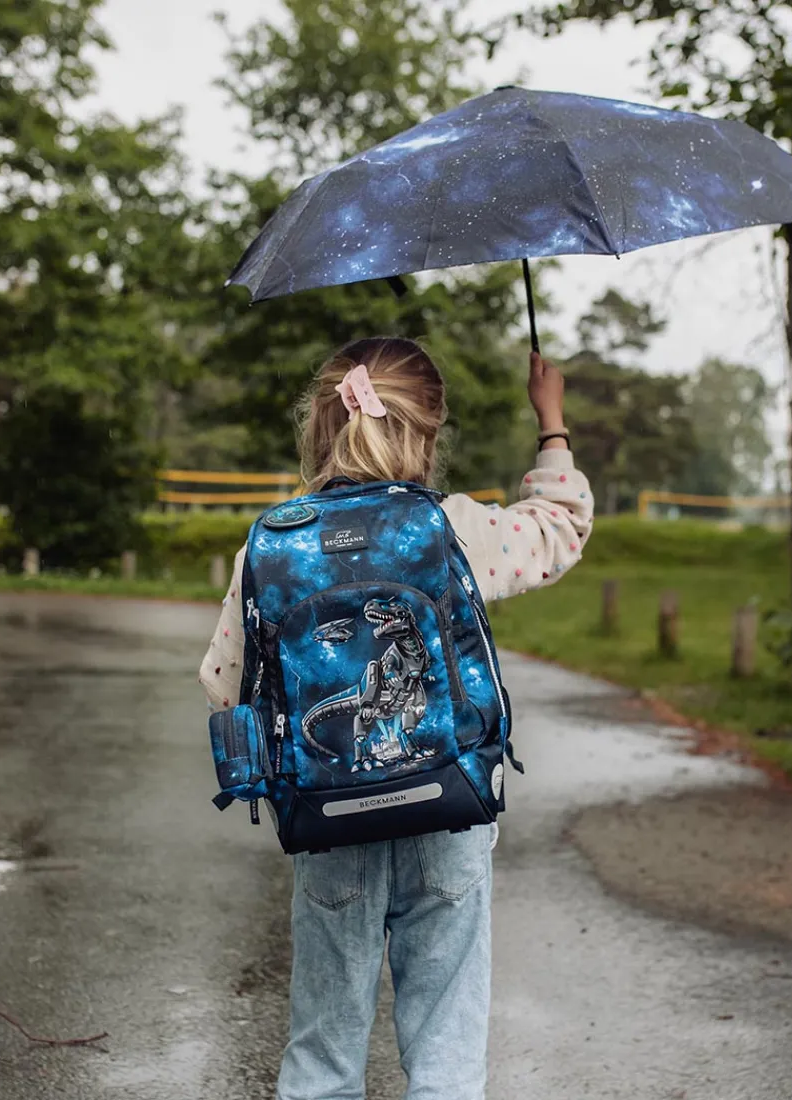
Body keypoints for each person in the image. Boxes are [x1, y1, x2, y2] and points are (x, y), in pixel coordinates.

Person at [199, 336, 593, 1100]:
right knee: (446, 1056)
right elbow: (558, 528)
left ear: (321, 425)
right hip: (447, 809)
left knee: (322, 1059)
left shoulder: (272, 546)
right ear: (429, 433)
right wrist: (551, 422)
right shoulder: (451, 527)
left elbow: (224, 686)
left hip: (329, 822)